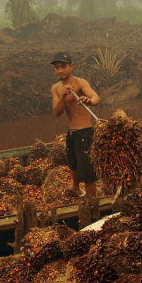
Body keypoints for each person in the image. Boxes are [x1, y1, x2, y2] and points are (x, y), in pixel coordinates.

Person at [50, 51, 101, 198]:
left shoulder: (80, 83)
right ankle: (75, 188)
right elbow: (57, 113)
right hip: (72, 132)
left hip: (85, 132)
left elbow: (96, 97)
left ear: (71, 66)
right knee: (72, 163)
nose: (60, 70)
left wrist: (89, 101)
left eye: (63, 66)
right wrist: (63, 96)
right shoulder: (55, 88)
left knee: (87, 171)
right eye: (57, 67)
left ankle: (92, 200)